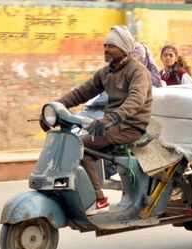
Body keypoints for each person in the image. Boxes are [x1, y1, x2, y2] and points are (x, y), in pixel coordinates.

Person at [41, 25, 152, 215]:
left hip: (131, 125)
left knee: (79, 146)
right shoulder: (107, 72)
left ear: (124, 48)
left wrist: (111, 118)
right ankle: (91, 194)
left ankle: (98, 199)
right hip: (112, 123)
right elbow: (81, 92)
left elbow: (136, 99)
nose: (106, 49)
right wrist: (53, 107)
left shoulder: (138, 72)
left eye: (111, 46)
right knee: (77, 144)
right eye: (105, 45)